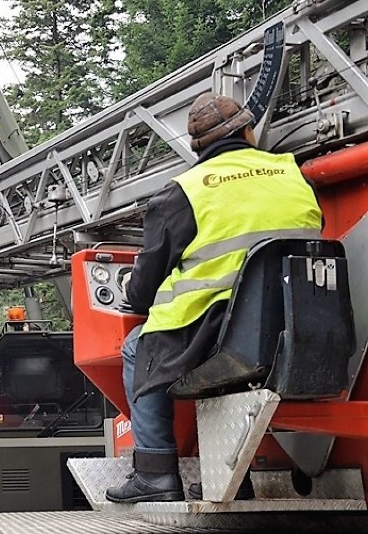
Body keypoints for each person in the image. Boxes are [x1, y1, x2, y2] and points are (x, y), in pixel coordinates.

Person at [104, 92, 323, 503]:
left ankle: (155, 474)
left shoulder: (183, 192)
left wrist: (137, 296)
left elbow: (143, 288)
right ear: (248, 132)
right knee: (229, 359)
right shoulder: (292, 170)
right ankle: (226, 477)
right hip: (304, 321)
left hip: (223, 332)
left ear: (197, 148)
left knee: (137, 348)